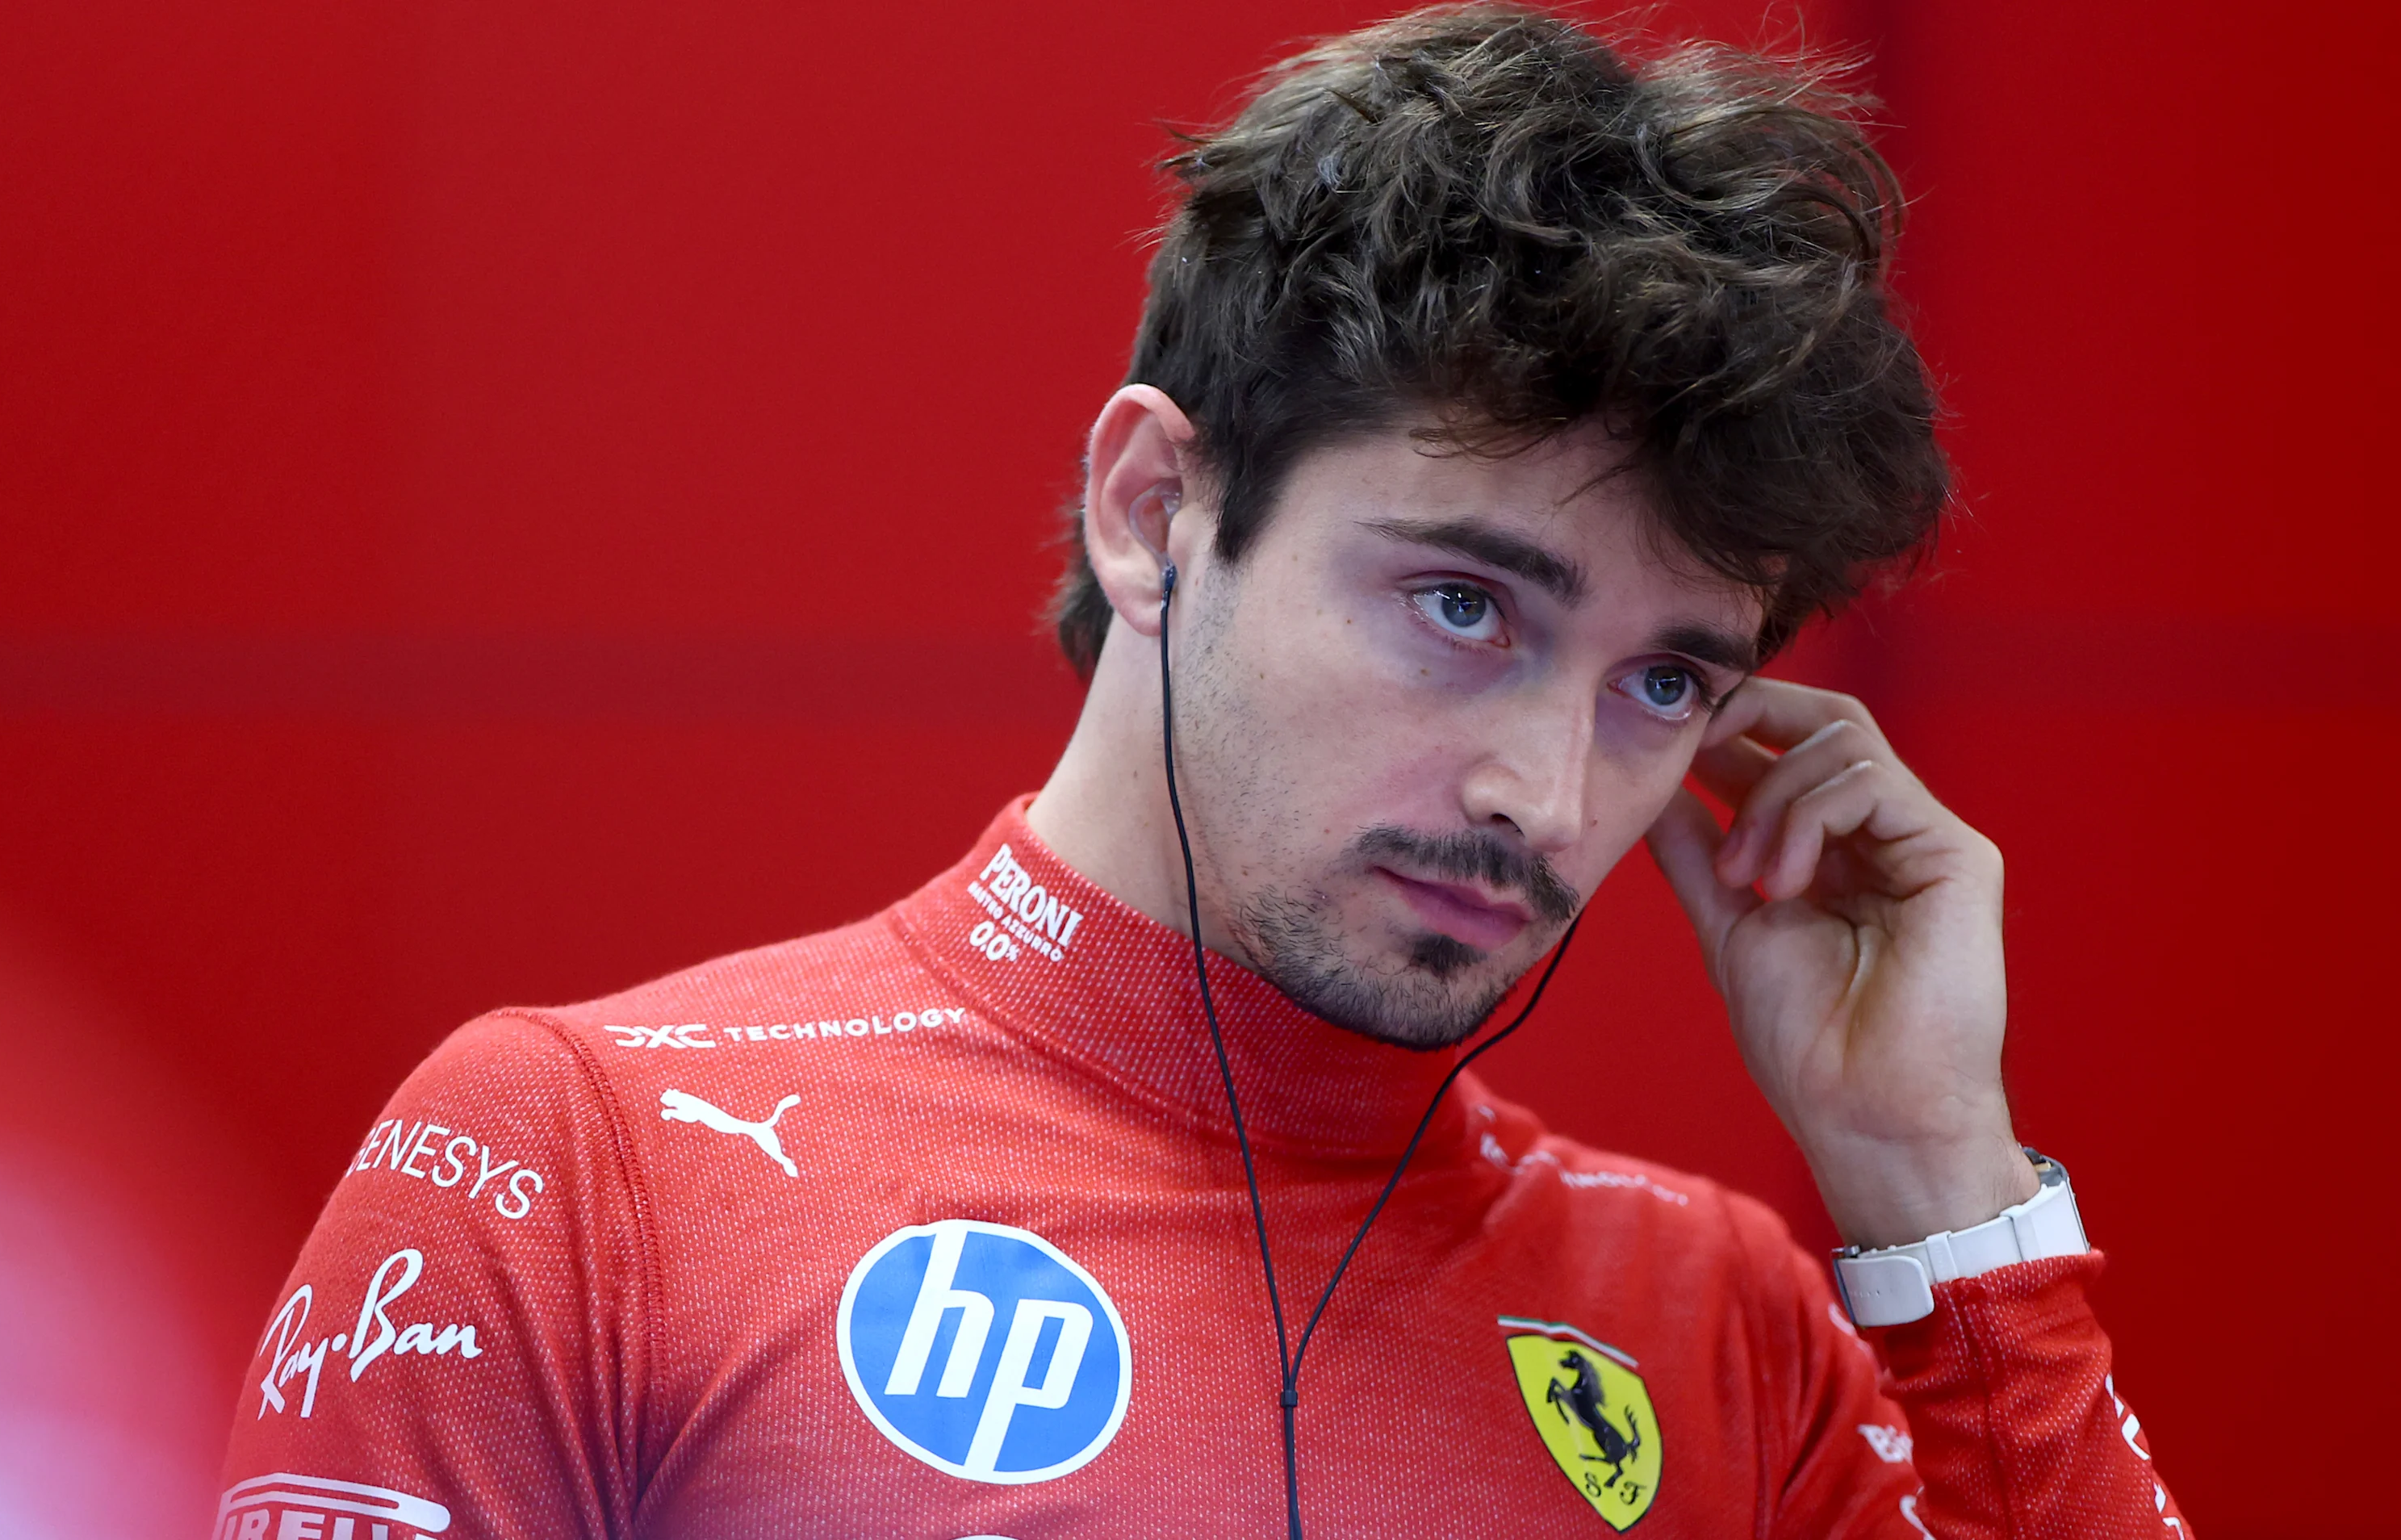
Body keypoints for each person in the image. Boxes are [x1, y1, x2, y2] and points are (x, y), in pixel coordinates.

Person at [216, 6, 2192, 1537]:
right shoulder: (576, 1171)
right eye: (1463, 606)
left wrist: (1939, 1188)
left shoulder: (1715, 1324)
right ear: (1156, 507)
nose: (1544, 790)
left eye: (1663, 682)